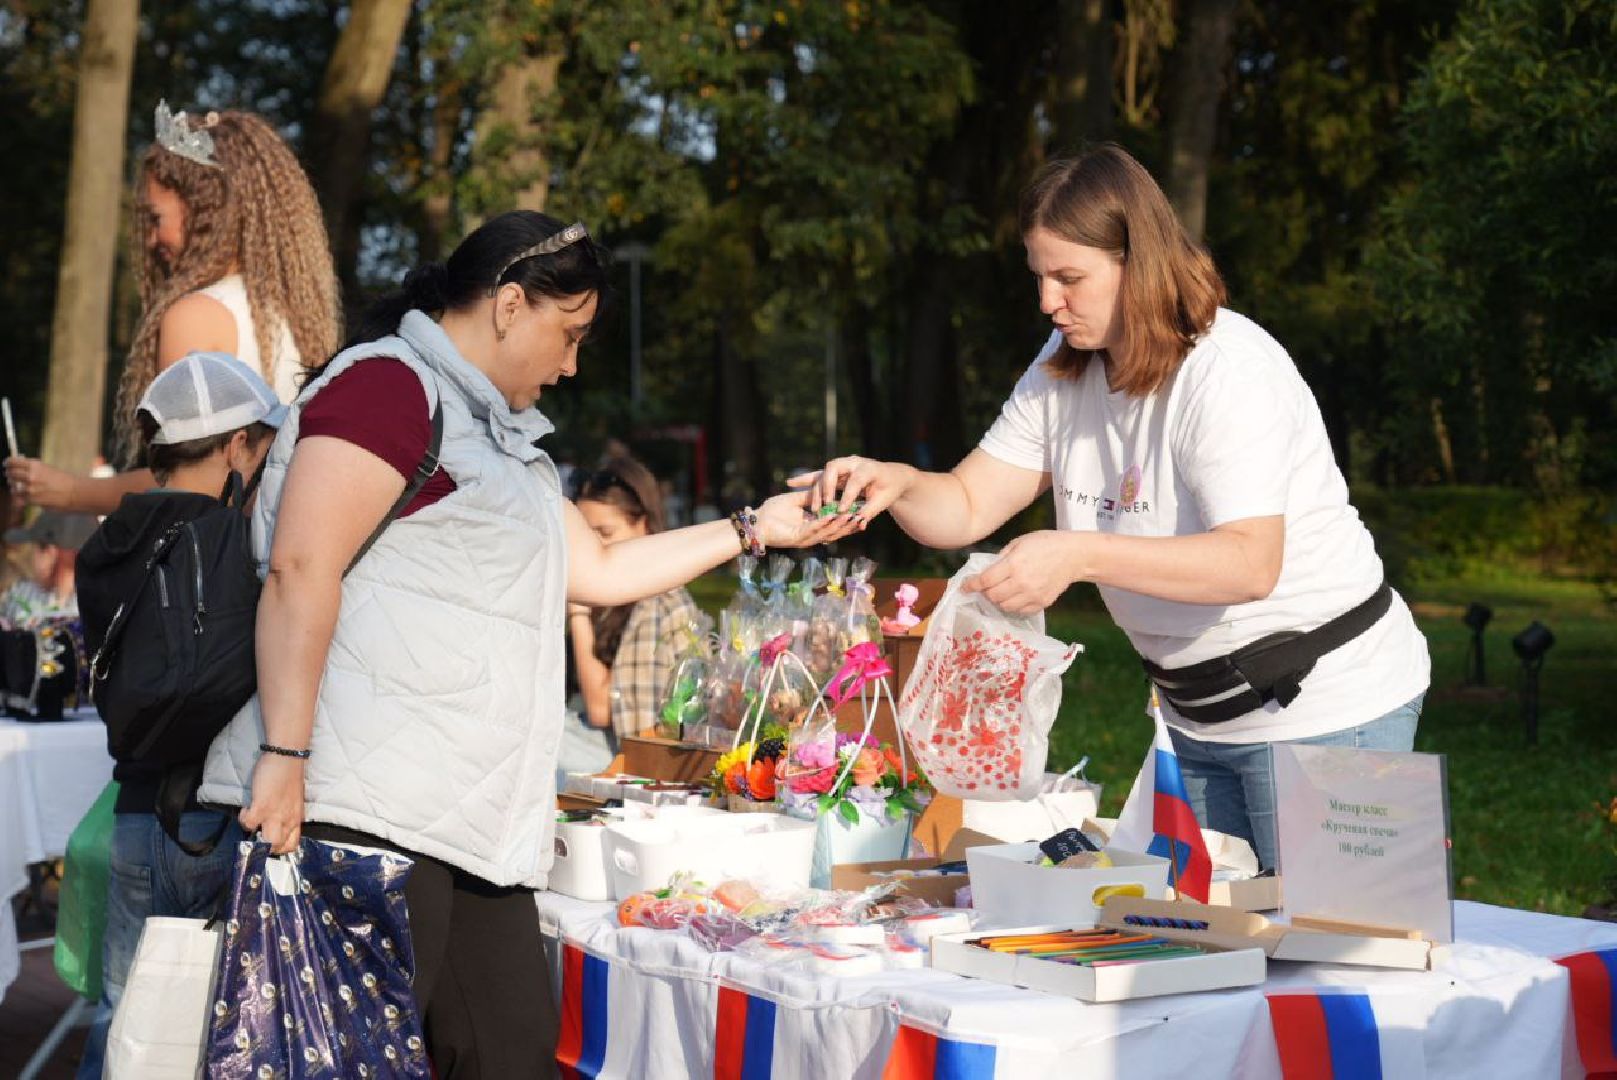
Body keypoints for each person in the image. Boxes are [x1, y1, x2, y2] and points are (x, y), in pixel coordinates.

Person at [196, 211, 837, 1077]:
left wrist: (756, 527)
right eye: (567, 334)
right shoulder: (387, 385)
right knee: (349, 1060)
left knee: (512, 1053)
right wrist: (284, 751)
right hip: (363, 812)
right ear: (507, 305)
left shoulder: (500, 439)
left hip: (472, 825)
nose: (572, 364)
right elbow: (301, 566)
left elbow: (603, 567)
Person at [799, 144, 1430, 872]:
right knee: (1210, 949)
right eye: (1038, 277)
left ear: (1141, 262)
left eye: (1070, 278)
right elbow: (970, 504)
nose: (1047, 301)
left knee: (1328, 954)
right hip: (1197, 716)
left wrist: (1077, 552)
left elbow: (1249, 563)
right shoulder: (1062, 365)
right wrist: (900, 483)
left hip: (1329, 707)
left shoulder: (1225, 372)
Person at [72, 351, 284, 1079]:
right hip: (219, 811)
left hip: (132, 811)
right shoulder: (239, 542)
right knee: (221, 1022)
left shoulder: (105, 545)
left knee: (124, 1012)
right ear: (234, 446)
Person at [4, 102, 339, 514]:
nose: (150, 240)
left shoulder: (196, 316)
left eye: (156, 218)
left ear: (204, 212)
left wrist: (67, 492)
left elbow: (183, 480)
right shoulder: (290, 317)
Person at [568, 457, 705, 747]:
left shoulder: (658, 604)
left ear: (644, 525)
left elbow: (601, 709)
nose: (592, 547)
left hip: (634, 761)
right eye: (584, 536)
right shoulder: (615, 598)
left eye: (605, 533)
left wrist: (577, 610)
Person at [0, 510, 96, 628]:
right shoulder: (20, 594)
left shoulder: (95, 606)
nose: (32, 556)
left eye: (39, 547)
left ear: (53, 552)